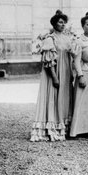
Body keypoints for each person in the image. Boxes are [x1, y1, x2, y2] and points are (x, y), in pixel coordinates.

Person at [30, 10, 74, 142]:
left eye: (64, 22)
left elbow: (70, 57)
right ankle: (53, 127)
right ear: (54, 24)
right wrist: (54, 77)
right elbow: (48, 61)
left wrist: (71, 73)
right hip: (55, 72)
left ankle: (64, 127)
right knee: (54, 98)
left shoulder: (67, 38)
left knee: (65, 98)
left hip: (66, 71)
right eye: (60, 22)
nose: (63, 24)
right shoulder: (50, 39)